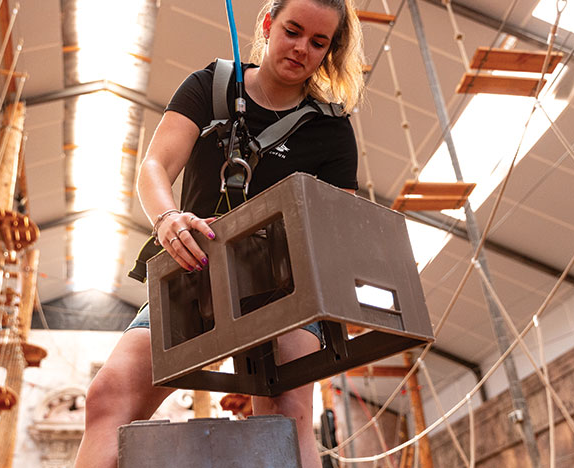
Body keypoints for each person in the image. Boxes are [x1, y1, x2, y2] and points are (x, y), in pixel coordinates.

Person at [75, 0, 364, 466]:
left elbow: (339, 225)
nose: (301, 49)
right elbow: (155, 165)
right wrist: (169, 218)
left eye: (318, 42)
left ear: (329, 50)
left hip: (283, 289)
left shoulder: (331, 129)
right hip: (195, 268)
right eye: (292, 30)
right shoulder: (211, 86)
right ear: (268, 24)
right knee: (108, 397)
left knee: (287, 417)